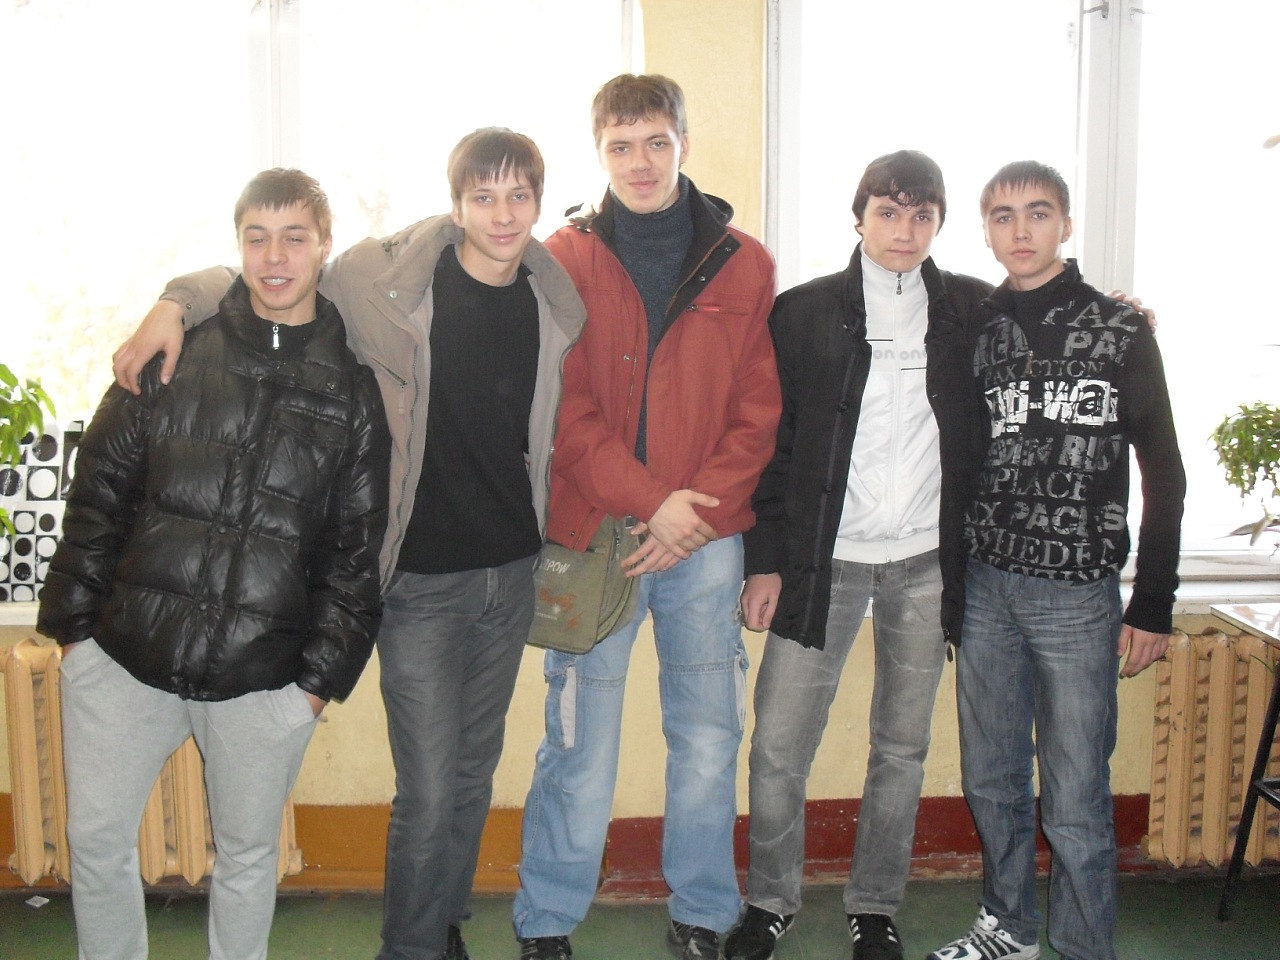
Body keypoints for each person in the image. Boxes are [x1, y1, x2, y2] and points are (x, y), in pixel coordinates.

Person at [109, 129, 588, 960]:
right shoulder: (385, 281)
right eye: (483, 196)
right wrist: (174, 302)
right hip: (420, 584)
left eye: (519, 196)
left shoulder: (552, 298)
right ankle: (408, 948)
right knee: (428, 788)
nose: (502, 214)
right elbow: (272, 277)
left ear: (538, 204)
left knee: (472, 777)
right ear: (457, 205)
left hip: (509, 576)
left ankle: (442, 923)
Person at [38, 168, 391, 960]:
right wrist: (76, 637)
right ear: (237, 247)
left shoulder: (353, 391)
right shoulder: (172, 353)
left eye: (294, 237)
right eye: (256, 238)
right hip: (125, 657)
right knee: (95, 840)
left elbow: (355, 553)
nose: (275, 257)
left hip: (262, 679)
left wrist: (313, 687)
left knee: (248, 859)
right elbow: (98, 495)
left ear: (323, 246)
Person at [511, 74, 781, 960]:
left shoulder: (746, 264)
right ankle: (548, 918)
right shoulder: (562, 259)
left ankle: (703, 912)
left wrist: (688, 516)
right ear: (600, 152)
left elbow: (757, 413)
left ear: (683, 146)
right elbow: (565, 412)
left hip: (704, 539)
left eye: (656, 143)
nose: (640, 162)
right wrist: (650, 504)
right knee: (578, 741)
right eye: (621, 146)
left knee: (707, 737)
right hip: (597, 533)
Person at [727, 151, 993, 960]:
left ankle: (874, 907)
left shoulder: (972, 309)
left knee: (901, 748)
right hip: (824, 561)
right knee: (778, 744)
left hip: (925, 563)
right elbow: (770, 445)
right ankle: (769, 901)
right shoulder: (803, 312)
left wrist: (1120, 313)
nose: (904, 230)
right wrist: (765, 560)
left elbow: (1048, 324)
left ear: (939, 223)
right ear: (859, 217)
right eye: (888, 211)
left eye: (922, 215)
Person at [925, 161, 1185, 960]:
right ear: (985, 230)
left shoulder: (1121, 329)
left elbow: (1165, 471)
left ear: (1066, 224)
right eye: (1002, 217)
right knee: (992, 779)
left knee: (1075, 796)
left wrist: (1153, 602)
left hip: (1077, 597)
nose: (1021, 231)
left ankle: (1082, 946)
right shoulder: (977, 329)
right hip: (987, 588)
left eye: (1038, 214)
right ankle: (1007, 927)